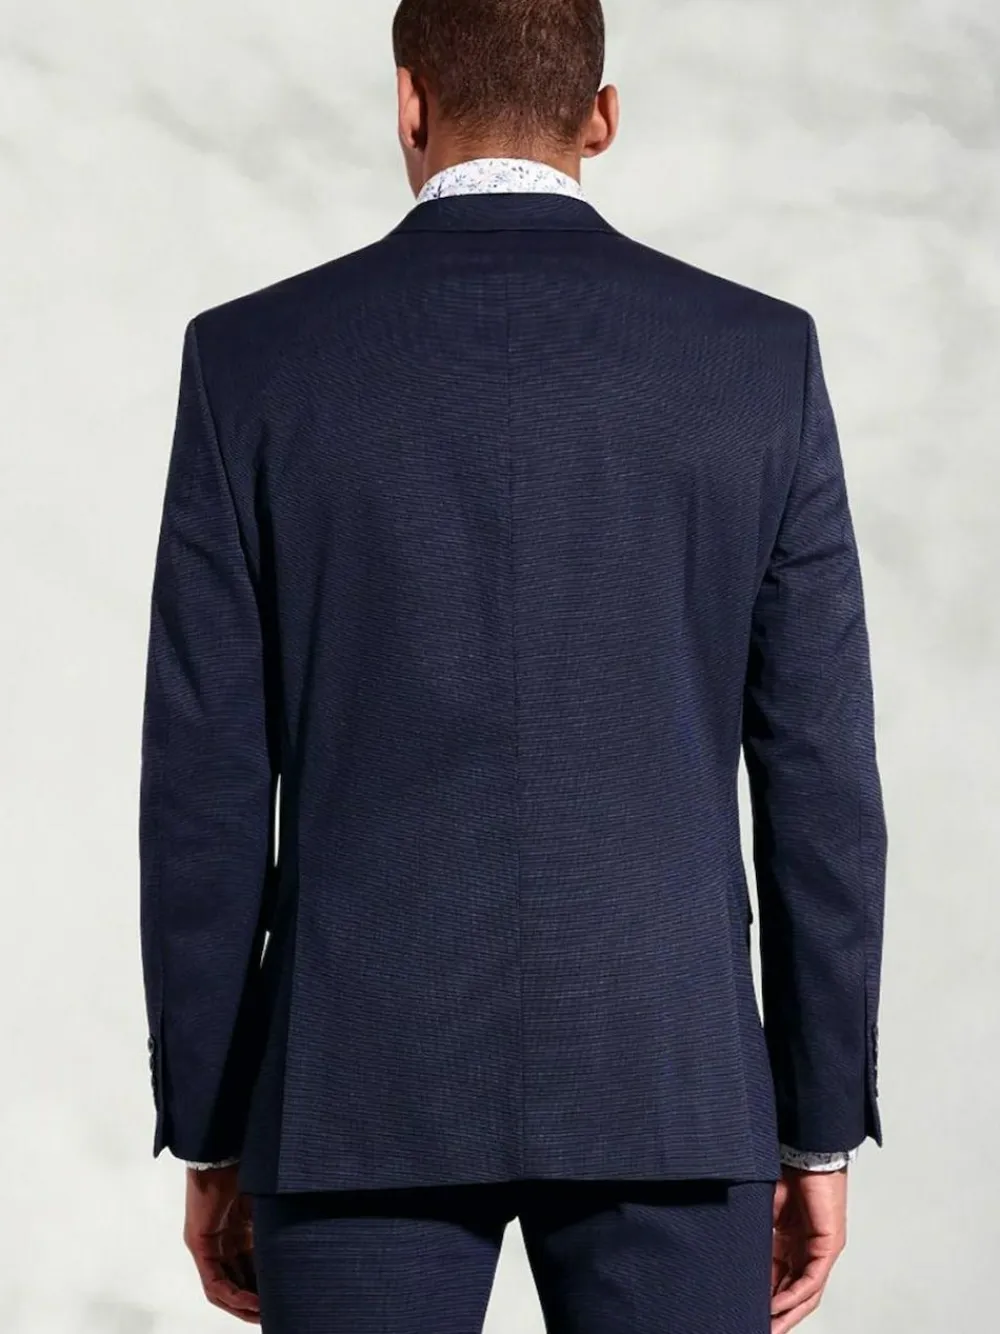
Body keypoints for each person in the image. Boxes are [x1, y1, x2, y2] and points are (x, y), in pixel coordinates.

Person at [138, 1, 887, 1330]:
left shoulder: (250, 361)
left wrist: (212, 1121)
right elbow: (820, 778)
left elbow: (202, 789)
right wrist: (815, 1122)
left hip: (355, 1086)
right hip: (668, 1074)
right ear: (602, 117)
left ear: (409, 102)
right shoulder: (759, 360)